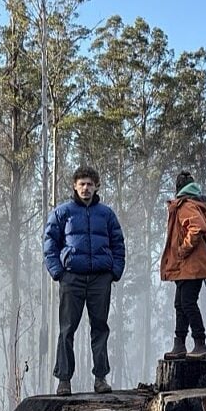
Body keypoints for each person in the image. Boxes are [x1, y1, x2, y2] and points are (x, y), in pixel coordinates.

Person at [44, 166, 126, 395]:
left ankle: (101, 378)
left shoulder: (106, 214)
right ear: (74, 185)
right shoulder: (63, 212)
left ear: (96, 186)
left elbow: (118, 244)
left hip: (100, 278)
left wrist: (114, 271)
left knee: (100, 327)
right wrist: (58, 272)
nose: (86, 188)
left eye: (90, 184)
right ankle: (64, 380)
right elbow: (50, 242)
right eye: (82, 184)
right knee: (67, 329)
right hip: (72, 277)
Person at [160, 171, 206, 360]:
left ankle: (200, 344)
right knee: (180, 304)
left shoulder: (186, 204)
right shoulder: (199, 204)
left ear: (178, 188)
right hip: (191, 267)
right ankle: (180, 345)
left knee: (187, 303)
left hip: (190, 265)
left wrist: (182, 250)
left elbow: (197, 228)